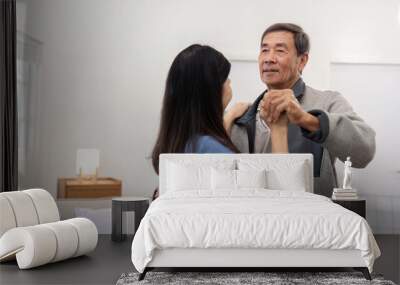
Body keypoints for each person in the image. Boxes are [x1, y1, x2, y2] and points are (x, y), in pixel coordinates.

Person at [230, 23, 376, 197]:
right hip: (255, 218)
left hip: (313, 218)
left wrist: (307, 120)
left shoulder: (327, 102)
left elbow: (364, 151)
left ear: (302, 60)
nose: (269, 58)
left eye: (280, 51)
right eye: (264, 50)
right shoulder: (243, 116)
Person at [151, 44, 288, 177]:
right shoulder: (209, 148)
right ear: (211, 90)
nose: (229, 82)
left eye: (280, 50)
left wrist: (228, 118)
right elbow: (275, 189)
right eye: (225, 78)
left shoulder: (178, 141)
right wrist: (278, 128)